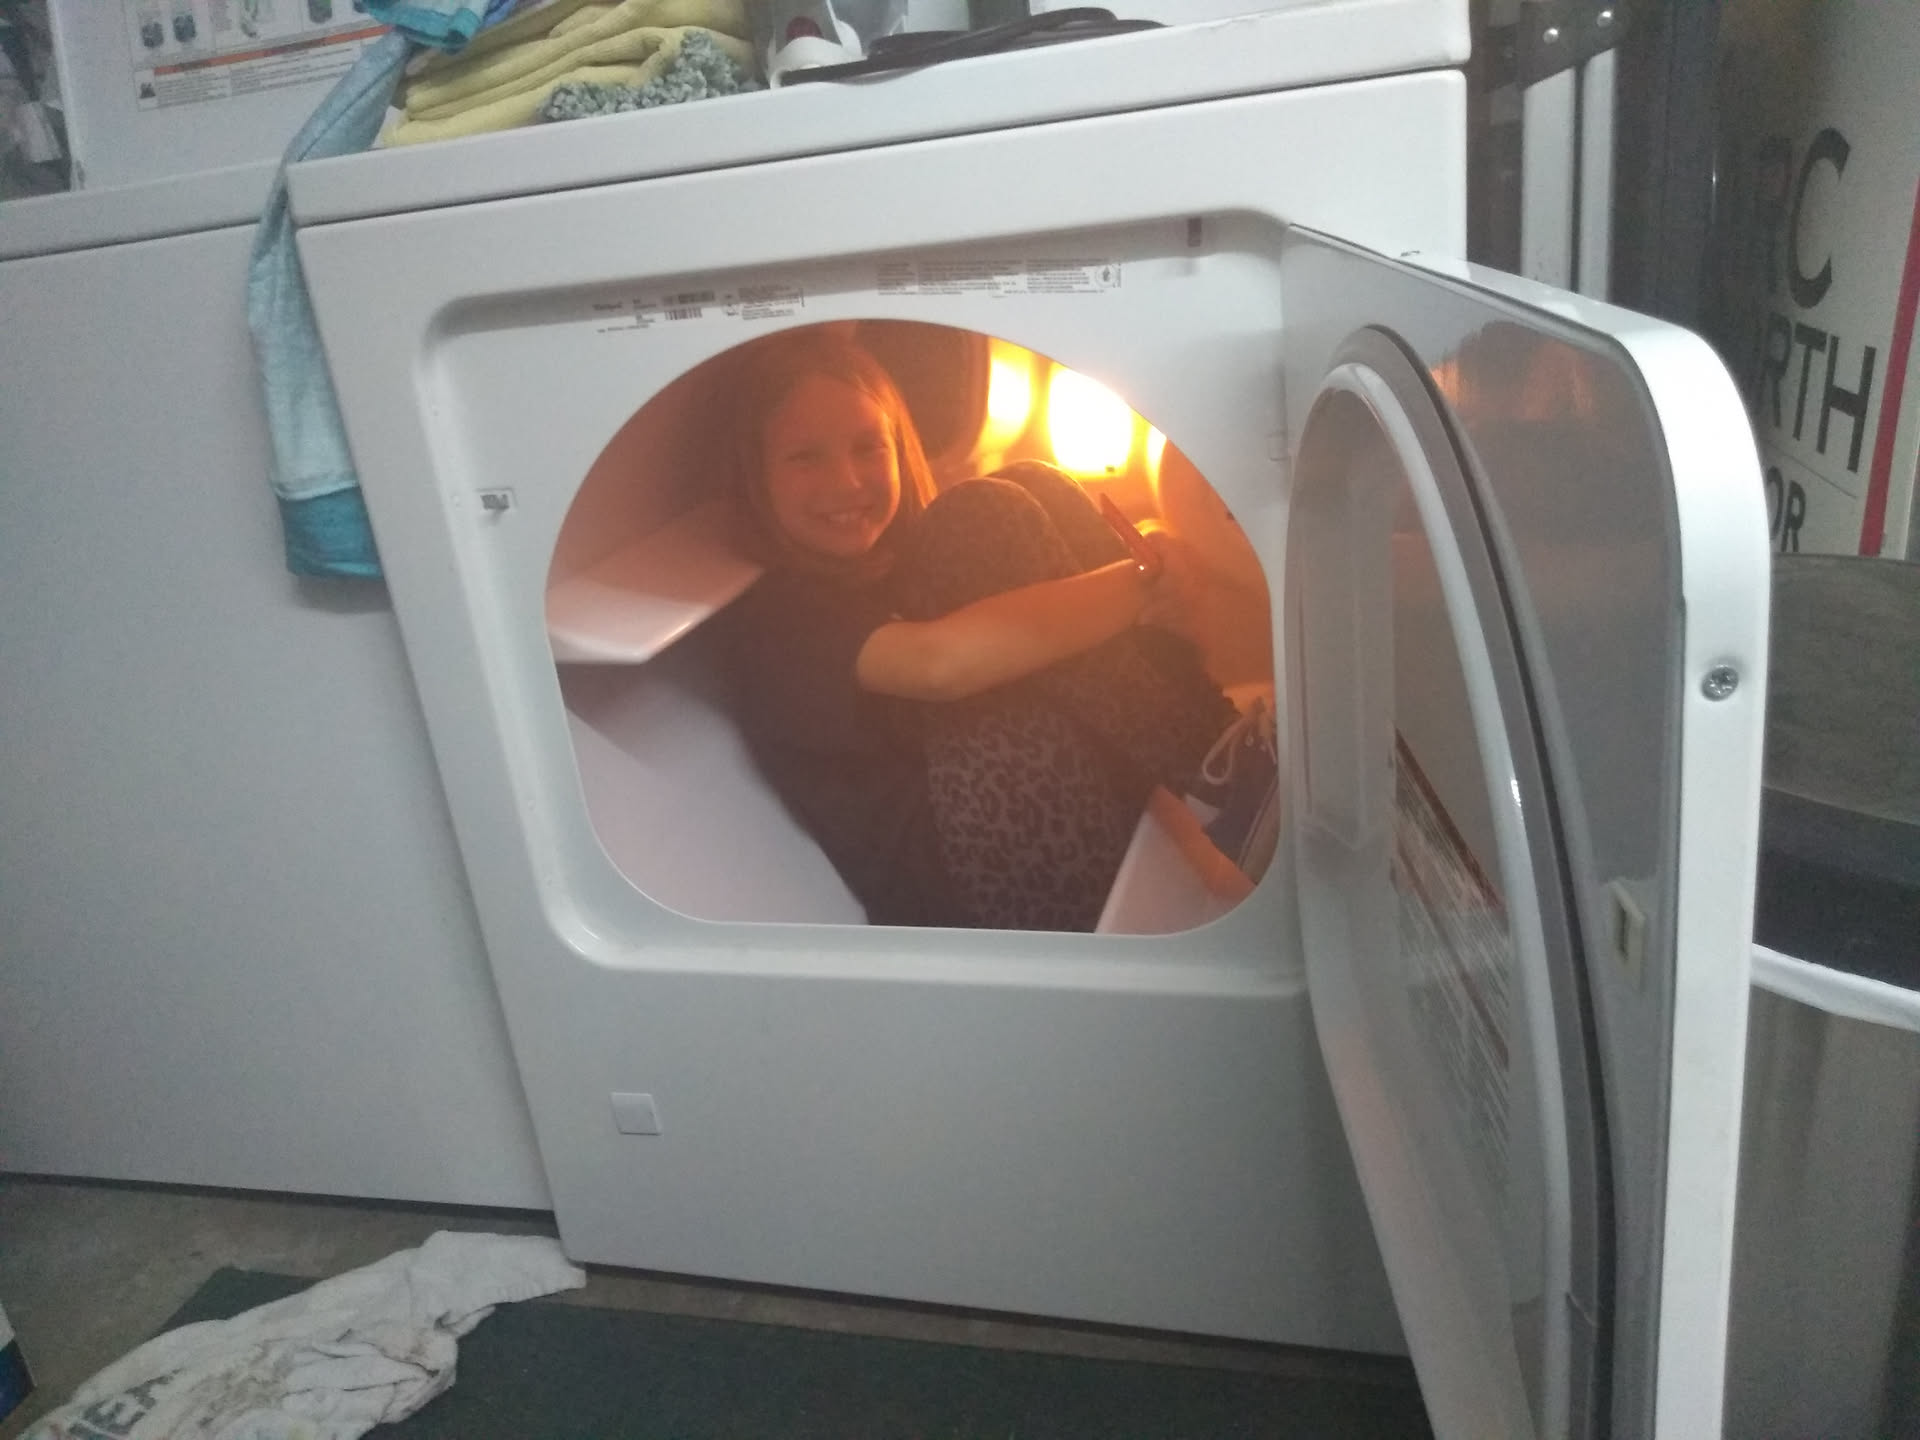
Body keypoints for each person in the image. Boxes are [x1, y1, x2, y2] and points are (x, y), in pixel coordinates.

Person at [718, 329, 1275, 932]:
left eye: (868, 447)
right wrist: (1140, 585)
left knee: (1035, 480)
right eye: (806, 457)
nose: (848, 481)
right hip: (981, 890)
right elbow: (938, 665)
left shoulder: (893, 568)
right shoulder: (775, 619)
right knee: (974, 517)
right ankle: (1232, 779)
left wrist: (1160, 582)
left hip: (1056, 821)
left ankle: (1229, 762)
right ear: (757, 476)